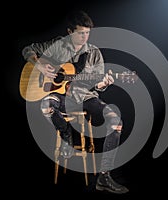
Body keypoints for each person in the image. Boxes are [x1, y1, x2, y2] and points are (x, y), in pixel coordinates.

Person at [21, 10, 129, 194]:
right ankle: (66, 135)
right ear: (70, 31)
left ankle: (104, 176)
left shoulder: (94, 53)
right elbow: (27, 49)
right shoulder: (57, 45)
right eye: (81, 33)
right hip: (60, 97)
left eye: (87, 33)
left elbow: (98, 84)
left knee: (116, 122)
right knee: (46, 105)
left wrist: (103, 83)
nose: (84, 37)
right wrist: (38, 64)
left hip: (84, 97)